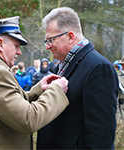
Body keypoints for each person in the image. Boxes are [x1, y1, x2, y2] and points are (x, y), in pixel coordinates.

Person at [0, 16, 69, 150]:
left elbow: (3, 107)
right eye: (16, 46)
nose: (19, 52)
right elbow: (28, 120)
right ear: (0, 44)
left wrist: (38, 90)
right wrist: (56, 90)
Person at [37, 7, 119, 150]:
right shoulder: (62, 65)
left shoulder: (98, 67)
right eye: (46, 41)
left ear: (70, 36)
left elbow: (101, 134)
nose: (48, 47)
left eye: (51, 40)